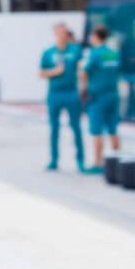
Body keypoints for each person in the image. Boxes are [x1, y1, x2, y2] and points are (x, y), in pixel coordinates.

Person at [39, 22, 87, 172]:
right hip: (55, 94)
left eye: (65, 32)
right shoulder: (48, 53)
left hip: (71, 92)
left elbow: (82, 69)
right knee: (54, 128)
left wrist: (84, 86)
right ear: (55, 34)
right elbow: (41, 73)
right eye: (60, 32)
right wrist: (55, 71)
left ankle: (80, 160)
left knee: (76, 127)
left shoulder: (75, 50)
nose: (63, 35)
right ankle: (54, 160)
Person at [79, 25, 121, 168]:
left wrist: (83, 89)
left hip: (98, 97)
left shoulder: (94, 53)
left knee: (97, 131)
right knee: (113, 130)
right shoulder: (113, 53)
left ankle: (98, 162)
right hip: (113, 95)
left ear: (96, 37)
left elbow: (84, 72)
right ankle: (118, 161)